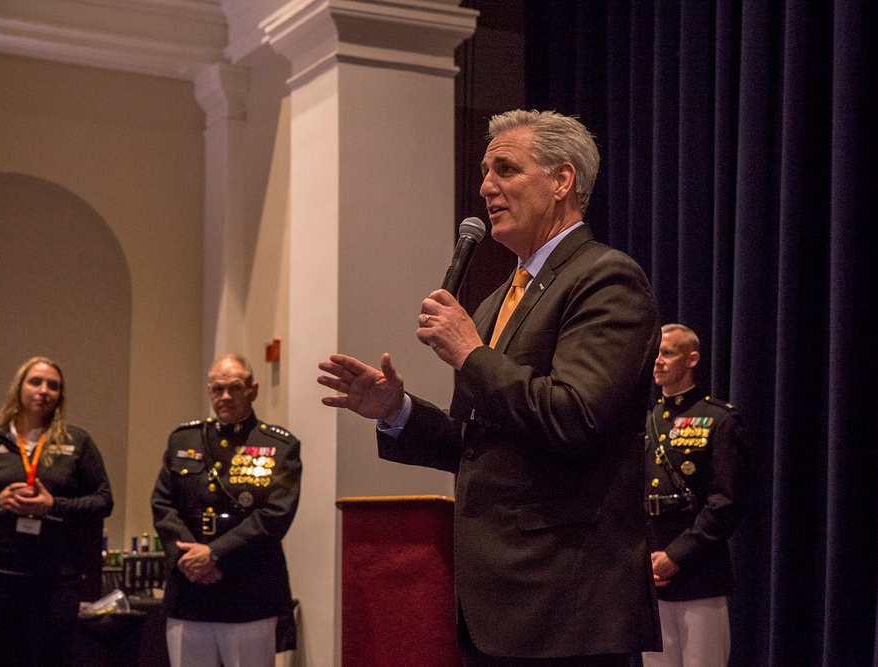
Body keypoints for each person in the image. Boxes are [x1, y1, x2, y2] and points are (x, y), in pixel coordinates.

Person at [318, 109, 662, 665]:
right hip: (496, 604)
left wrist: (472, 354)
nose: (485, 188)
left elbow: (574, 416)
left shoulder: (606, 278)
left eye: (505, 169)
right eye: (484, 172)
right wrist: (398, 410)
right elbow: (476, 445)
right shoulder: (498, 298)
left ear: (562, 180)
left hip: (567, 602)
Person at [152, 353, 301, 667]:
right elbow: (163, 506)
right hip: (189, 595)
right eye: (217, 389)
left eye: (234, 388)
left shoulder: (279, 447)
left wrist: (215, 554)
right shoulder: (184, 440)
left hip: (249, 596)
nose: (225, 397)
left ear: (253, 390)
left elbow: (275, 515)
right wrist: (188, 559)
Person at [0, 356, 114, 666]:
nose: (44, 391)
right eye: (35, 382)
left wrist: (53, 505)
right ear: (19, 388)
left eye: (53, 386)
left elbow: (103, 501)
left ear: (61, 396)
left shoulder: (77, 441)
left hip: (55, 579)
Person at [642, 324, 745, 667]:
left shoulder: (719, 419)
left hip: (700, 575)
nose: (657, 361)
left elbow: (726, 502)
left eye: (667, 353)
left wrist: (676, 555)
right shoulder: (646, 422)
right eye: (656, 352)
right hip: (652, 576)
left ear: (692, 358)